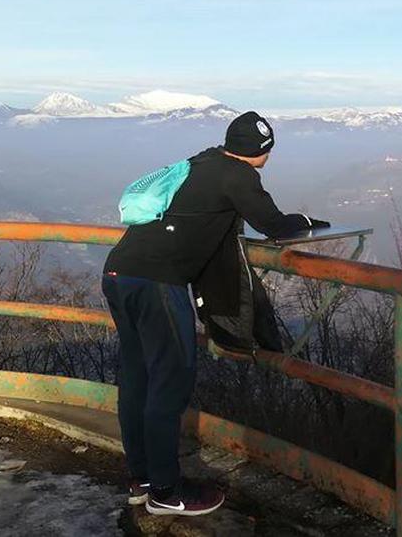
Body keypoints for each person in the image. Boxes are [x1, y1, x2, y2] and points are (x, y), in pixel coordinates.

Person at [101, 111, 328, 516]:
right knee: (169, 383)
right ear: (263, 151)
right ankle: (166, 494)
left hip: (119, 273)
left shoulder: (202, 161)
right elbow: (273, 224)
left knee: (137, 378)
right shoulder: (238, 175)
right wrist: (309, 222)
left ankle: (142, 479)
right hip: (157, 283)